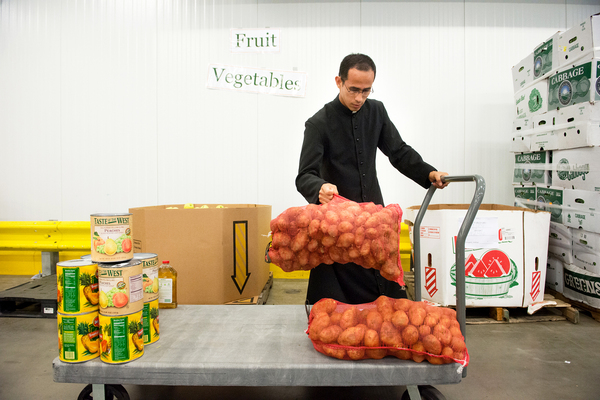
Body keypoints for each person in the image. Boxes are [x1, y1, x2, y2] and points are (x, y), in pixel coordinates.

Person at [295, 53, 449, 305]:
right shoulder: (318, 123)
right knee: (340, 309)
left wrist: (429, 173)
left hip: (374, 219)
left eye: (366, 91)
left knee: (386, 305)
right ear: (338, 81)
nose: (359, 98)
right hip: (338, 225)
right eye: (353, 89)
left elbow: (398, 152)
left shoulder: (376, 112)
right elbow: (304, 176)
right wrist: (319, 187)